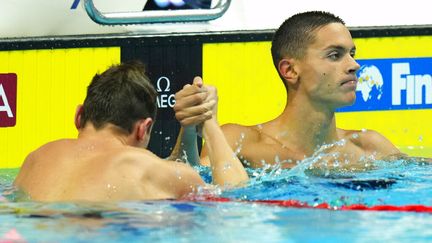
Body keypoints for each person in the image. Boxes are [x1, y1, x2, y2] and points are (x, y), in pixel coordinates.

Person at [175, 11, 413, 172]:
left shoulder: (368, 147)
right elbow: (188, 182)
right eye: (335, 55)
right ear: (289, 70)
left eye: (352, 54)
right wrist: (187, 130)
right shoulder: (241, 142)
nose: (353, 65)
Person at [13, 61, 248, 202]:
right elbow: (235, 198)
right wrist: (208, 121)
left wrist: (187, 126)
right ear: (143, 129)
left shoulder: (36, 158)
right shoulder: (143, 167)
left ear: (78, 116)